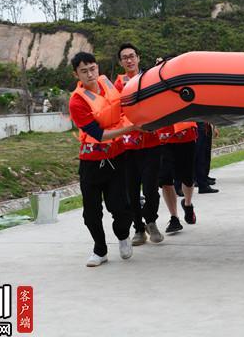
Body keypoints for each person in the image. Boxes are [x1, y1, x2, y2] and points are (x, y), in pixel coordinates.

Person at [68, 52, 136, 267]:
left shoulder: (108, 83)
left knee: (121, 206)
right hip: (91, 161)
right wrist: (131, 129)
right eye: (84, 71)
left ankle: (123, 237)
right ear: (76, 74)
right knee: (91, 212)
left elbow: (125, 107)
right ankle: (100, 250)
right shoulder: (77, 101)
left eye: (92, 69)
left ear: (97, 67)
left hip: (118, 156)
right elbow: (98, 134)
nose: (90, 74)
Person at [115, 43, 164, 246]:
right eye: (125, 57)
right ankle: (139, 229)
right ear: (121, 62)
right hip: (128, 148)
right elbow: (116, 113)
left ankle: (150, 220)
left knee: (151, 189)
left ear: (138, 58)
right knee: (132, 191)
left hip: (151, 143)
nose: (129, 60)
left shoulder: (149, 78)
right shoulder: (117, 85)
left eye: (132, 56)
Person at [158, 122, 198, 232]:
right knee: (165, 178)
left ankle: (187, 204)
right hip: (163, 138)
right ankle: (174, 217)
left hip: (186, 136)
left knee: (188, 178)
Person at [195, 122, 219, 193]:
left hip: (205, 125)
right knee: (200, 157)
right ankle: (202, 183)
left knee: (205, 155)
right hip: (198, 126)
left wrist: (214, 127)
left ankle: (204, 179)